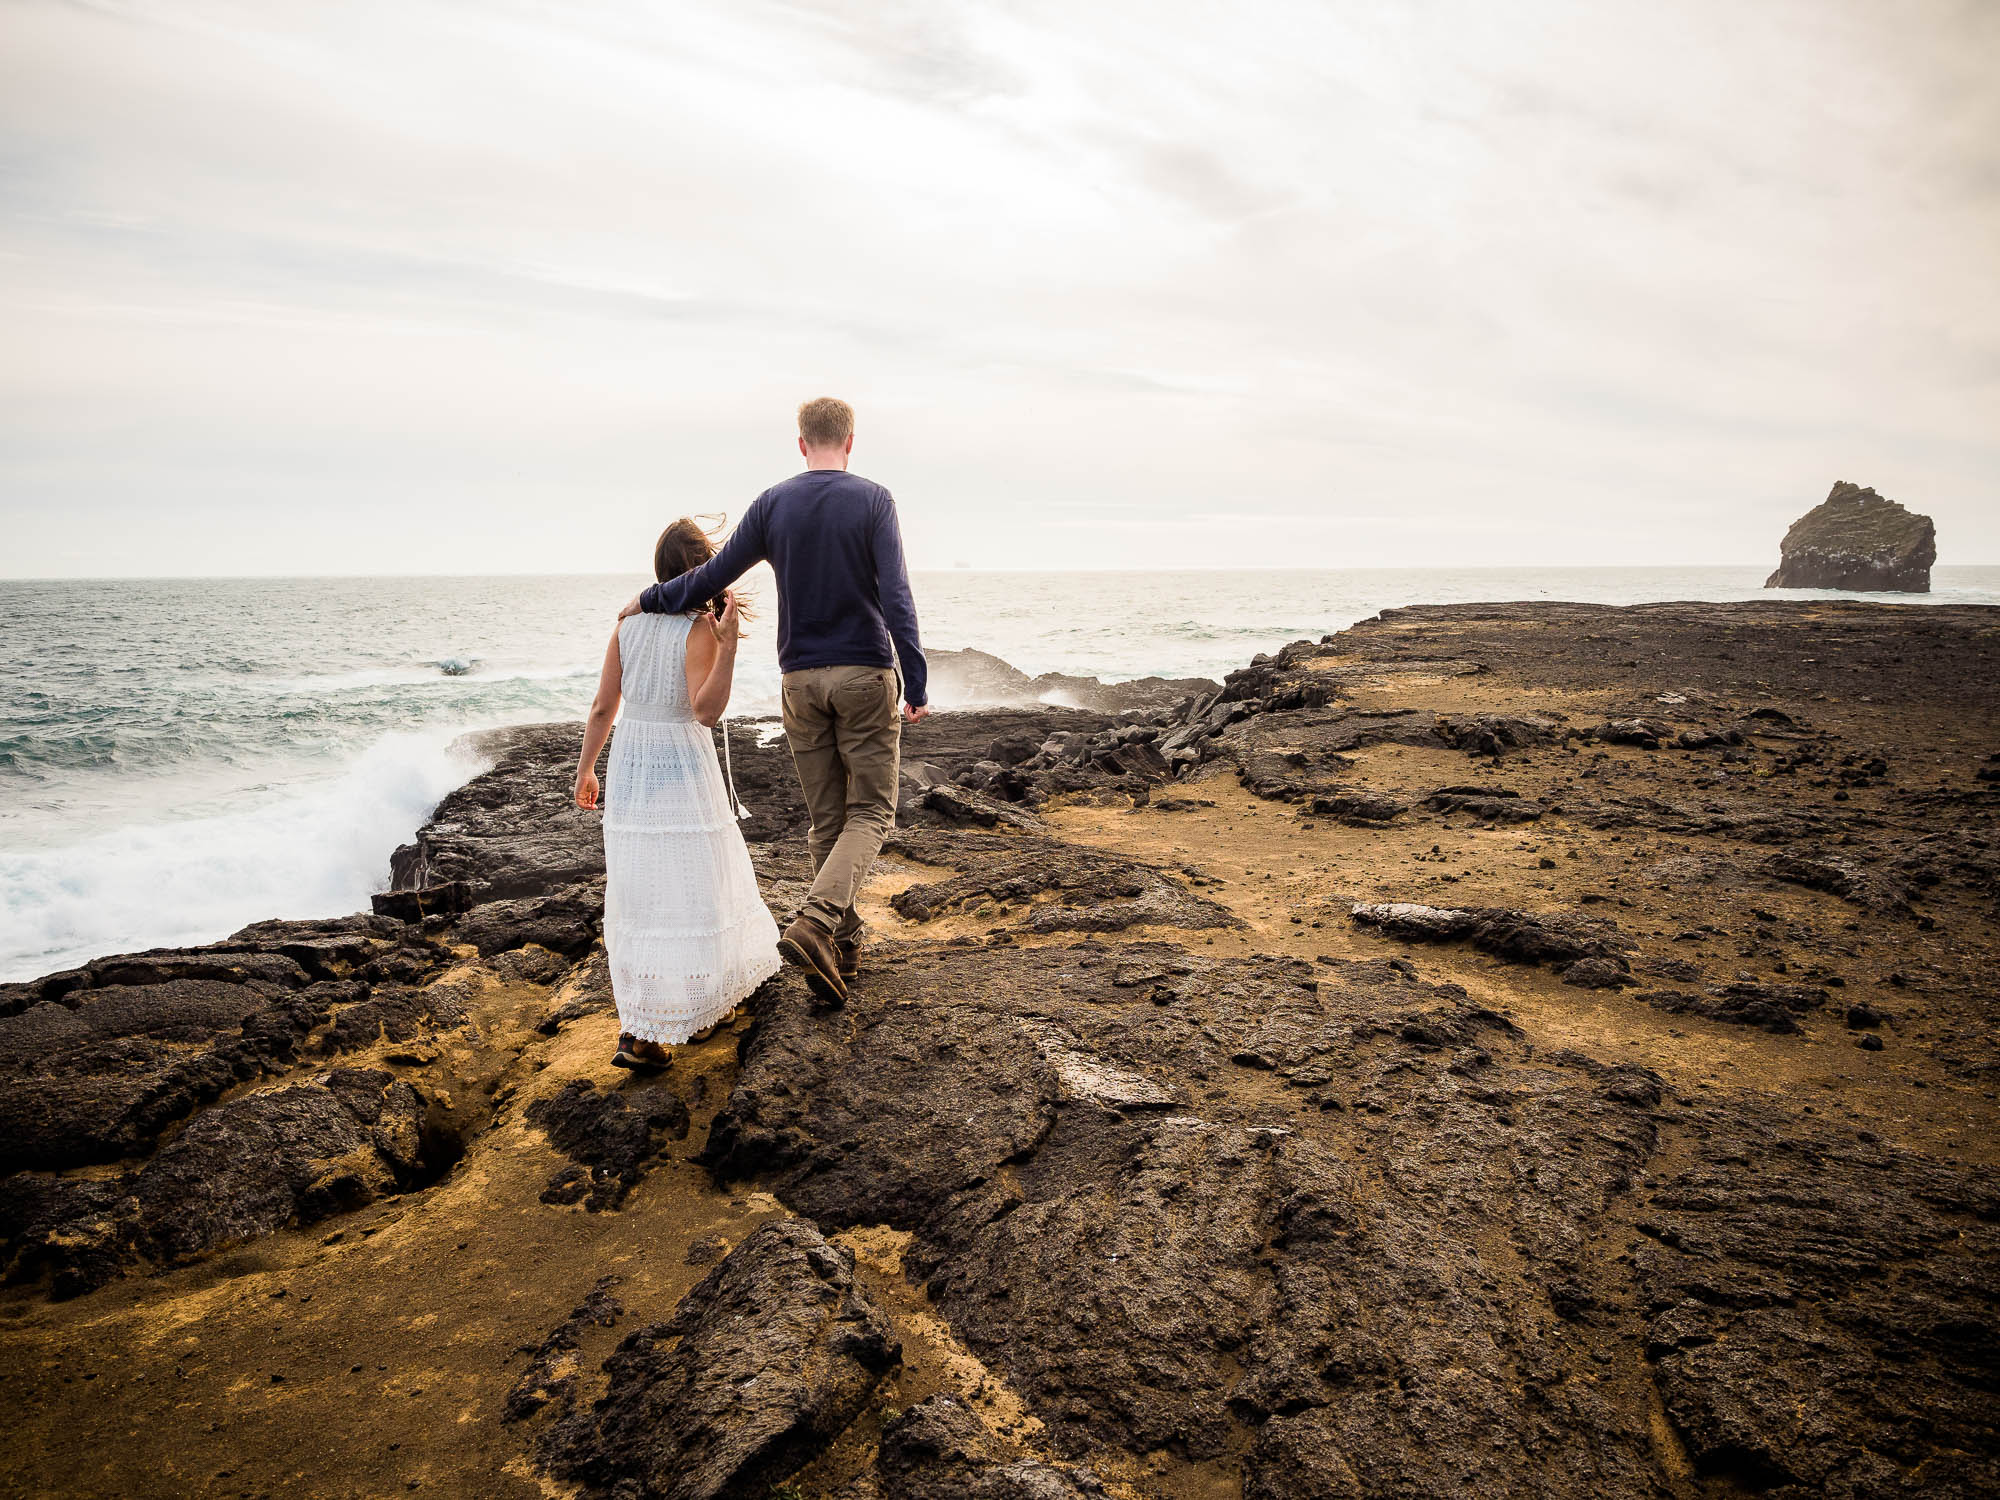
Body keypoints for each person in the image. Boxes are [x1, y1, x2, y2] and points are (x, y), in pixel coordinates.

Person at [618, 397, 928, 1005]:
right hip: (864, 674)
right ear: (851, 440)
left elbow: (708, 579)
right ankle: (816, 924)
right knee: (870, 812)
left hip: (799, 683)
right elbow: (896, 596)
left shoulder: (773, 503)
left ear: (800, 442)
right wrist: (913, 679)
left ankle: (842, 944)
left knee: (827, 820)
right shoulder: (873, 500)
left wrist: (650, 599)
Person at [577, 519, 781, 1068]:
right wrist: (728, 646)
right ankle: (685, 1012)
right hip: (679, 766)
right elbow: (706, 710)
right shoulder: (696, 630)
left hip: (632, 764)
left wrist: (586, 770)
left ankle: (639, 1028)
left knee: (641, 893)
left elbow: (602, 707)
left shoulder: (628, 624)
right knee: (694, 885)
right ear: (705, 569)